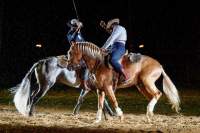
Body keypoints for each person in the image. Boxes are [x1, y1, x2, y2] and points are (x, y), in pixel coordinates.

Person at [100, 18, 129, 82]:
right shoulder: (117, 29)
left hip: (119, 47)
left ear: (112, 25)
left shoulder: (119, 28)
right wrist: (104, 26)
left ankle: (125, 75)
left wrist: (104, 47)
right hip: (114, 47)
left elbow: (112, 37)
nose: (110, 29)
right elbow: (111, 33)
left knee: (113, 59)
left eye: (110, 27)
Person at [65, 19, 90, 90]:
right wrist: (77, 31)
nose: (75, 27)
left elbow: (83, 42)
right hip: (75, 51)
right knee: (85, 65)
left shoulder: (79, 33)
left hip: (82, 52)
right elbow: (72, 41)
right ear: (72, 26)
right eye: (74, 26)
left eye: (76, 26)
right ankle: (83, 83)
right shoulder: (69, 33)